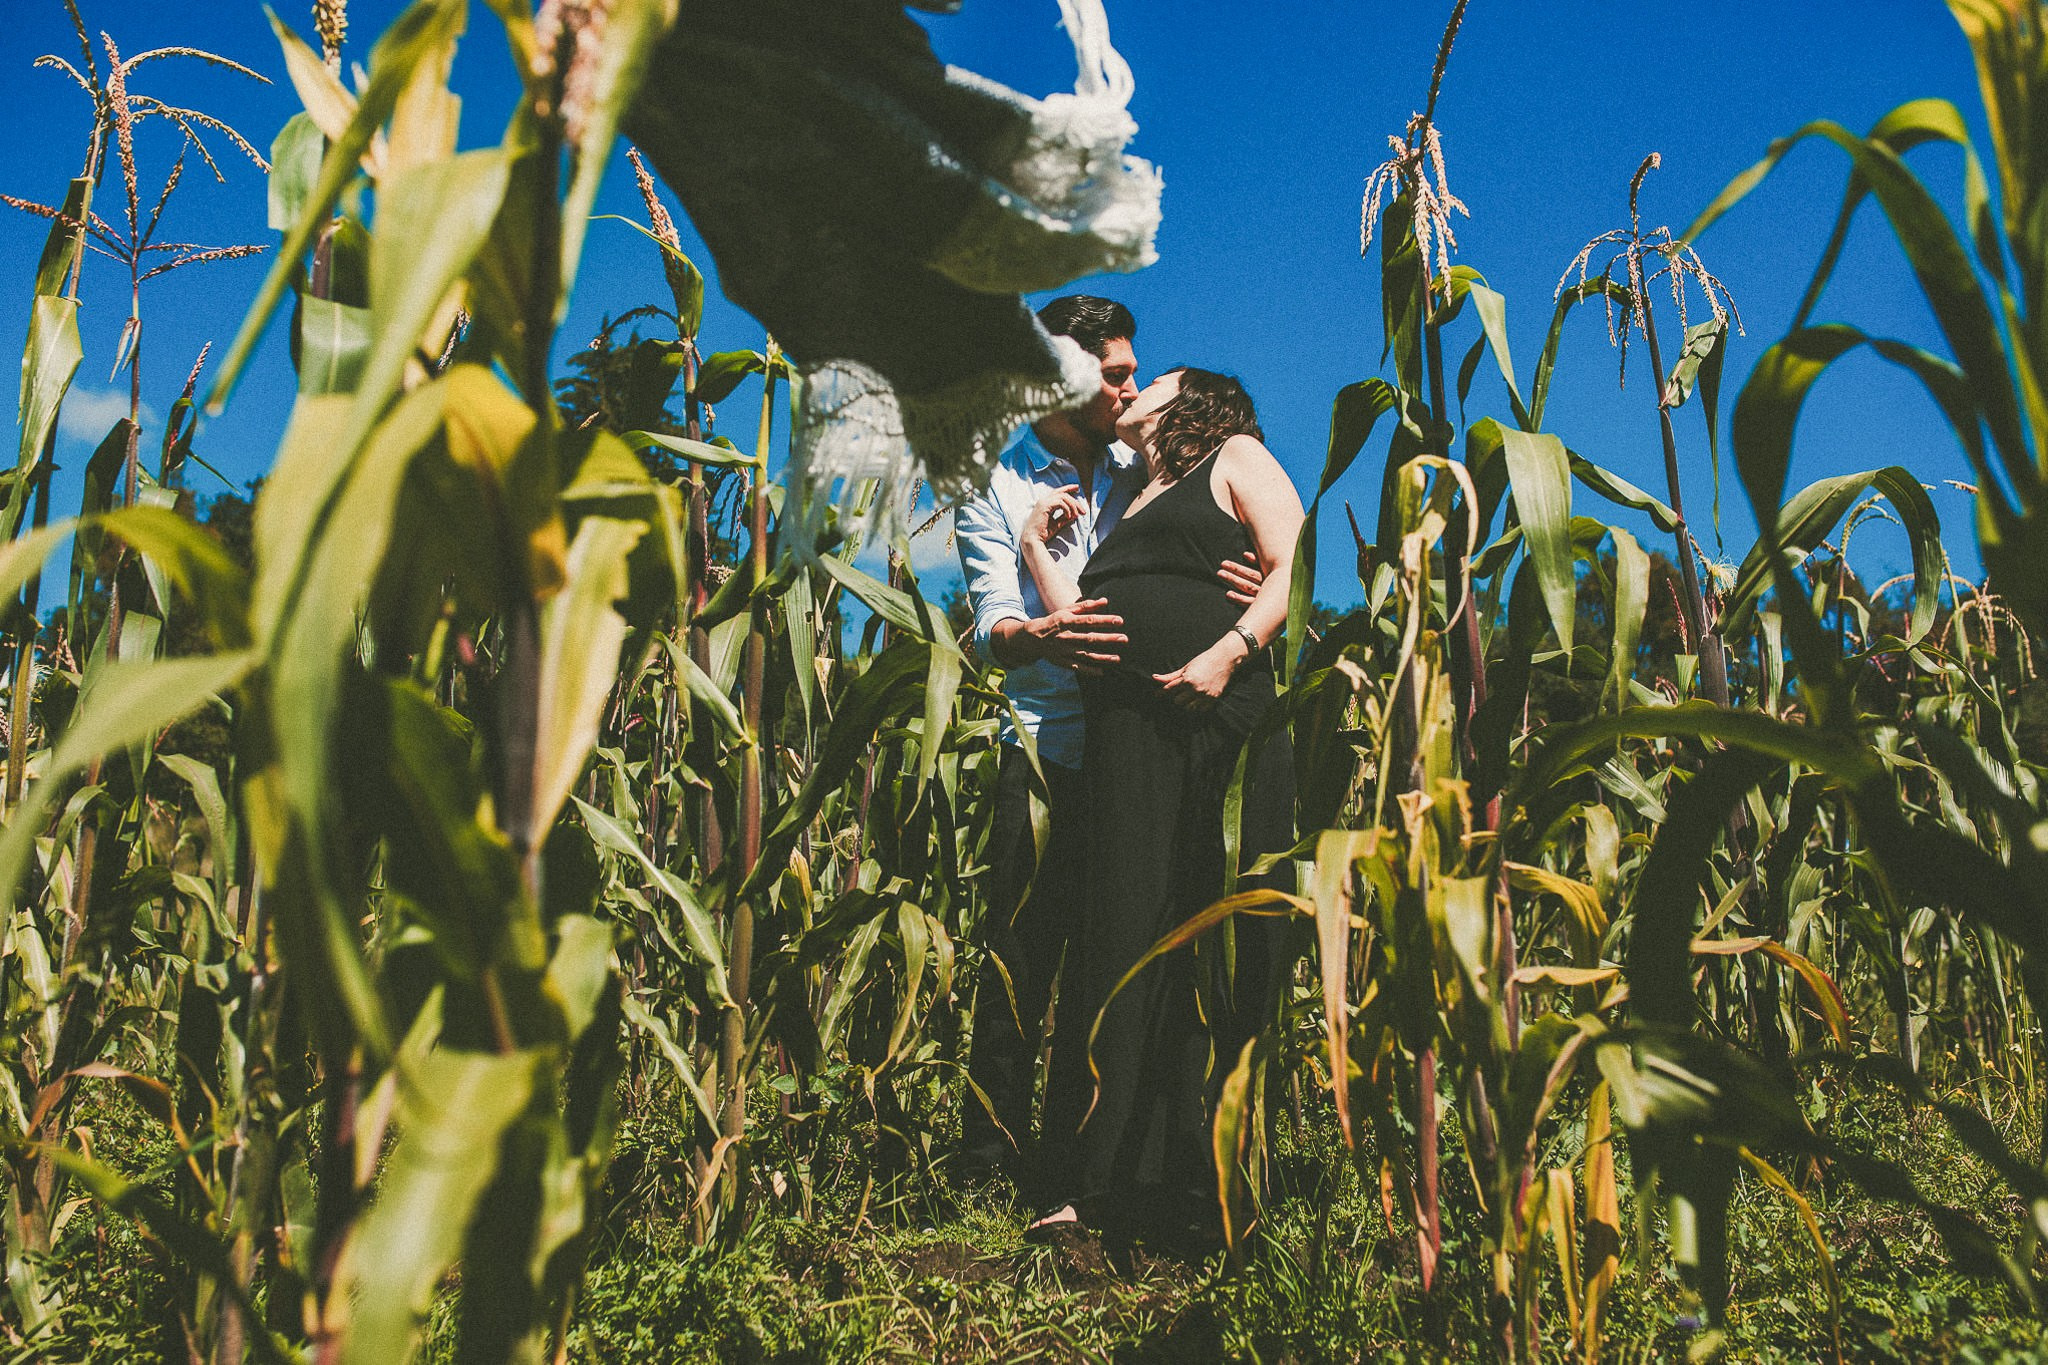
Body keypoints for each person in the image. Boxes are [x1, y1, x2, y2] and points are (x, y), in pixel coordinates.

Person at [954, 300, 1261, 1201]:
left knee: (1120, 955)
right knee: (1022, 954)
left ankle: (1089, 1162)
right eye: (1114, 374)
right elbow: (992, 626)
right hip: (1051, 745)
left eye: (1133, 371)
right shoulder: (996, 481)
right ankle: (985, 1169)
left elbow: (1227, 534)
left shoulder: (1152, 458)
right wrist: (1041, 634)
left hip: (1151, 745)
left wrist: (1243, 578)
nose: (1131, 385)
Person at [1019, 367, 1304, 1242]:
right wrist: (1036, 550)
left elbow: (1300, 560)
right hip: (1127, 733)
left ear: (1195, 401)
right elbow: (1087, 628)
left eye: (1155, 379)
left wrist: (1229, 649)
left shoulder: (1237, 456)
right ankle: (1099, 1179)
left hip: (1218, 719)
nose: (1134, 388)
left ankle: (1208, 1182)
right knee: (1122, 933)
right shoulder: (1129, 499)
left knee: (1214, 927)